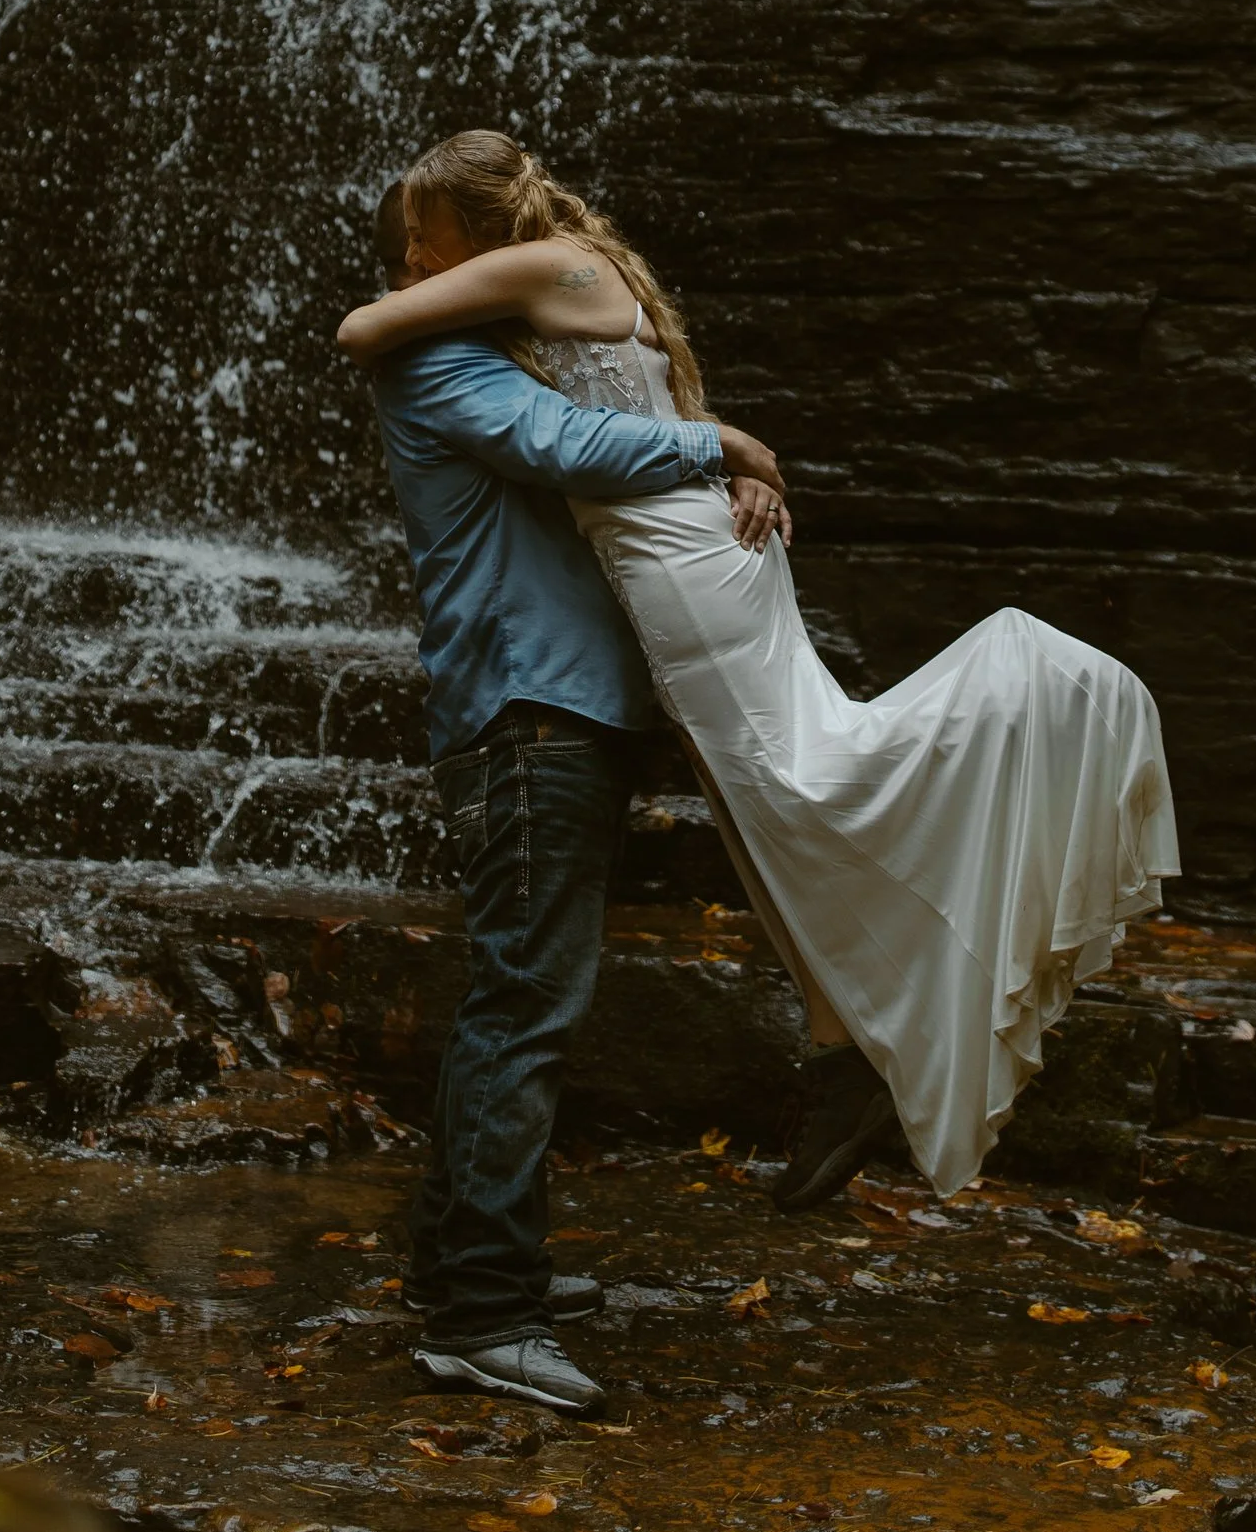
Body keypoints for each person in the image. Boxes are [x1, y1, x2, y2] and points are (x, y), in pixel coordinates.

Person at [340, 130, 1180, 1222]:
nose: (408, 264)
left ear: (477, 224)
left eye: (421, 240)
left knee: (797, 779)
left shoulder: (542, 264)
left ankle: (1036, 687)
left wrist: (722, 448)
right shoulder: (568, 277)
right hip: (676, 551)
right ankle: (840, 1050)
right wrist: (720, 446)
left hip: (676, 558)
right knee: (754, 797)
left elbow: (366, 331)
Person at [344, 178, 790, 1419]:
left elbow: (606, 447)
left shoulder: (501, 358)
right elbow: (567, 451)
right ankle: (483, 1314)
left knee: (519, 997)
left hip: (563, 711)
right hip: (527, 718)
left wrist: (725, 484)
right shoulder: (439, 361)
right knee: (525, 1007)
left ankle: (462, 1268)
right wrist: (723, 444)